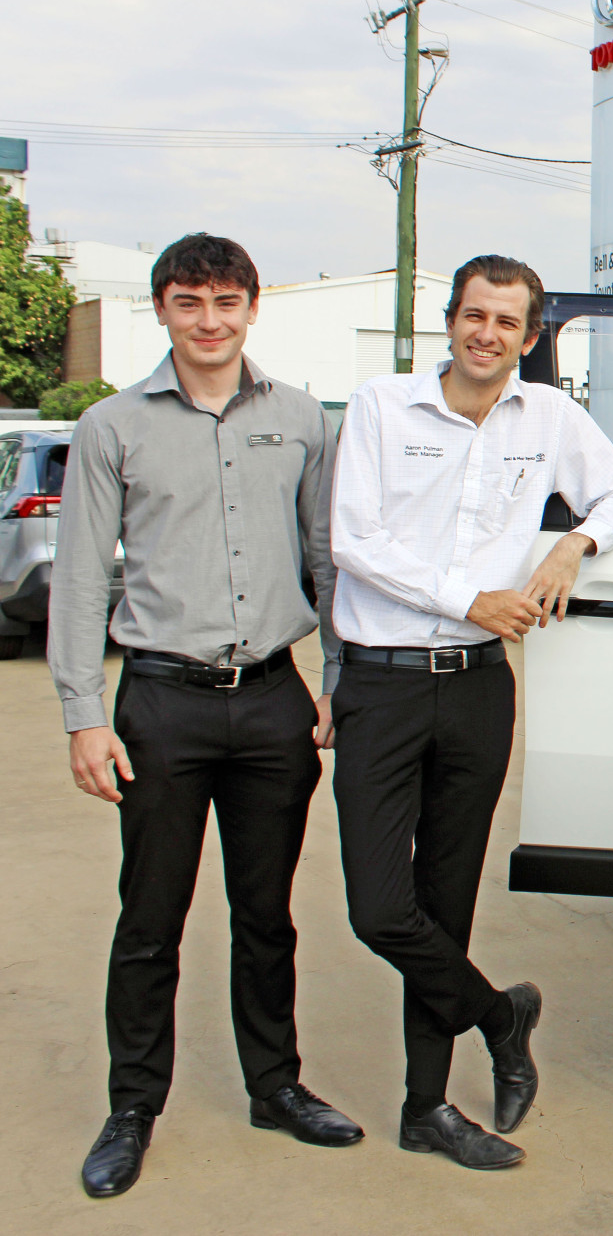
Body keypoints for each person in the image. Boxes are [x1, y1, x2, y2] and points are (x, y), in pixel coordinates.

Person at [49, 232, 362, 1200]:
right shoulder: (112, 428)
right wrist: (82, 715)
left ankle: (276, 1085)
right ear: (164, 311)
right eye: (190, 302)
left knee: (265, 916)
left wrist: (336, 679)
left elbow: (328, 557)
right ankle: (133, 1105)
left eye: (227, 301)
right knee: (150, 919)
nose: (210, 320)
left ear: (252, 309)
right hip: (161, 706)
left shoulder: (305, 418)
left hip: (271, 700)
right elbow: (79, 579)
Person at [328, 254, 613, 1169]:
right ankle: (500, 1014)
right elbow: (354, 541)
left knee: (446, 901)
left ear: (530, 335)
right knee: (381, 907)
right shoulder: (381, 407)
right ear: (451, 319)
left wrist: (573, 544)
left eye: (507, 322)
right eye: (474, 315)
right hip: (383, 683)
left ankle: (425, 1106)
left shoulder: (549, 416)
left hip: (477, 690)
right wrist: (467, 597)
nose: (487, 334)